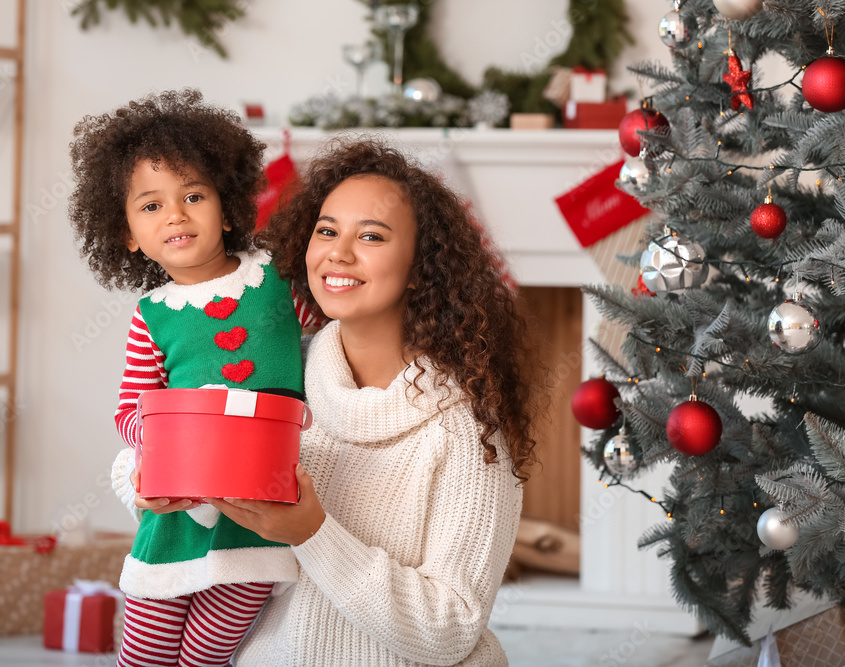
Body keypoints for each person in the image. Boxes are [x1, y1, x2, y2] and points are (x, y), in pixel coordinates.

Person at [113, 138, 539, 665]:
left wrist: (312, 534)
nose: (338, 253)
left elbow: (449, 631)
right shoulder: (290, 367)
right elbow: (142, 451)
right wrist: (147, 481)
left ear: (421, 266)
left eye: (372, 236)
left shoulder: (468, 431)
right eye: (327, 230)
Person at [68, 89, 319, 667]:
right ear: (126, 232)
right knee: (146, 653)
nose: (175, 215)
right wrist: (159, 454)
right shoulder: (152, 315)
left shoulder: (278, 281)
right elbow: (131, 411)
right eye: (150, 206)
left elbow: (337, 340)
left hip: (258, 515)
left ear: (228, 208)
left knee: (206, 656)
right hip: (179, 512)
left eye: (193, 196)